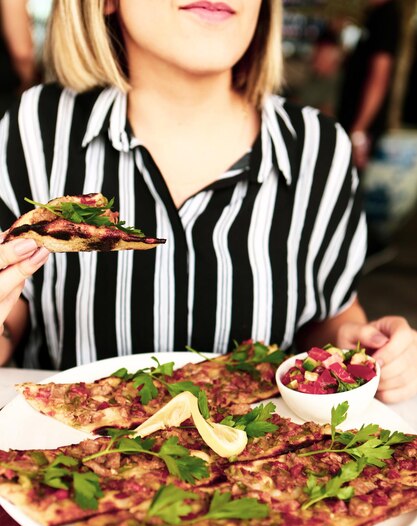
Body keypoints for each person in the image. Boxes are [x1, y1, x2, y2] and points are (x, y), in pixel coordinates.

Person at [0, 0, 416, 404]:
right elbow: (11, 326)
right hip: (60, 462)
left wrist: (362, 353)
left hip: (261, 469)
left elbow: (331, 318)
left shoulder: (319, 149)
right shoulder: (35, 128)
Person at [337, 0, 401, 172]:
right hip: (352, 122)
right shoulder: (374, 15)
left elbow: (380, 76)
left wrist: (359, 131)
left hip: (361, 128)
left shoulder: (387, 16)